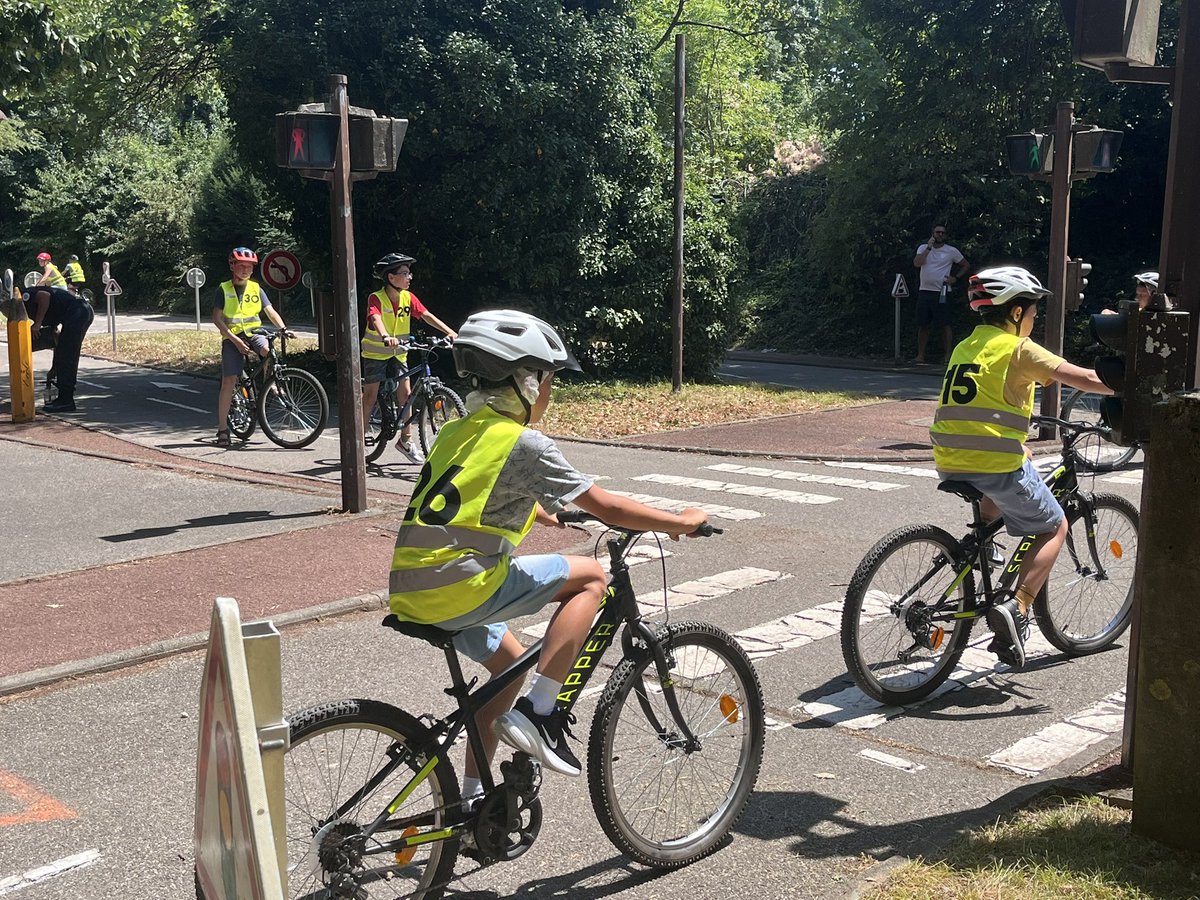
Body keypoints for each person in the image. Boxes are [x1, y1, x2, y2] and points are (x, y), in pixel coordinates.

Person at [389, 309, 708, 797]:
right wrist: (681, 521)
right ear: (524, 382)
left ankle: (472, 803)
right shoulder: (525, 443)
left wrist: (540, 512)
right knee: (592, 577)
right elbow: (609, 507)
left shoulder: (457, 430)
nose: (547, 392)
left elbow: (459, 496)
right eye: (546, 381)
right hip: (461, 586)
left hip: (413, 588)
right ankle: (541, 713)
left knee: (507, 667)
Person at [929, 266, 1113, 669]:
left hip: (948, 457)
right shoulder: (1018, 349)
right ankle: (1017, 607)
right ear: (1015, 313)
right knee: (1054, 525)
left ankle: (983, 545)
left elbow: (981, 404)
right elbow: (1083, 377)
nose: (1033, 319)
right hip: (993, 463)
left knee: (1005, 478)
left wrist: (1017, 443)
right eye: (1032, 312)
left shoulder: (965, 346)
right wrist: (1132, 385)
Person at [360, 252, 458, 462]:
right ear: (391, 277)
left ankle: (405, 440)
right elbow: (375, 318)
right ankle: (359, 439)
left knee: (406, 394)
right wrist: (385, 336)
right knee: (370, 396)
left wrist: (450, 331)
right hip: (376, 352)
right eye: (405, 273)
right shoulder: (376, 298)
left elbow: (426, 315)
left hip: (399, 353)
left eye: (409, 273)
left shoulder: (408, 297)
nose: (409, 277)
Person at [212, 247, 293, 447]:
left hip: (254, 333)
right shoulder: (224, 289)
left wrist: (283, 328)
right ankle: (222, 429)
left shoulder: (256, 289)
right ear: (232, 266)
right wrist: (235, 341)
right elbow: (217, 319)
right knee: (229, 381)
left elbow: (270, 311)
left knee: (269, 352)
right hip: (232, 337)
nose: (245, 270)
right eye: (241, 266)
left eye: (249, 267)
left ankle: (270, 384)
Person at [21, 284, 95, 412]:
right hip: (81, 311)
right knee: (65, 353)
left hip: (77, 311)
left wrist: (37, 324)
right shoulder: (49, 311)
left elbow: (44, 296)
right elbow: (57, 340)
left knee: (68, 356)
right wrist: (54, 367)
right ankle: (64, 398)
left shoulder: (24, 297)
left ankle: (66, 401)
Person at [913, 225, 970, 364]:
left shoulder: (951, 251)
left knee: (945, 324)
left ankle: (947, 356)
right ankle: (920, 355)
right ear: (932, 233)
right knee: (923, 324)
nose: (940, 234)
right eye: (937, 232)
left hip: (942, 292)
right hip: (925, 291)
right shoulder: (923, 248)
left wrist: (955, 278)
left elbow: (965, 265)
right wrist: (928, 248)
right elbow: (917, 263)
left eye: (943, 233)